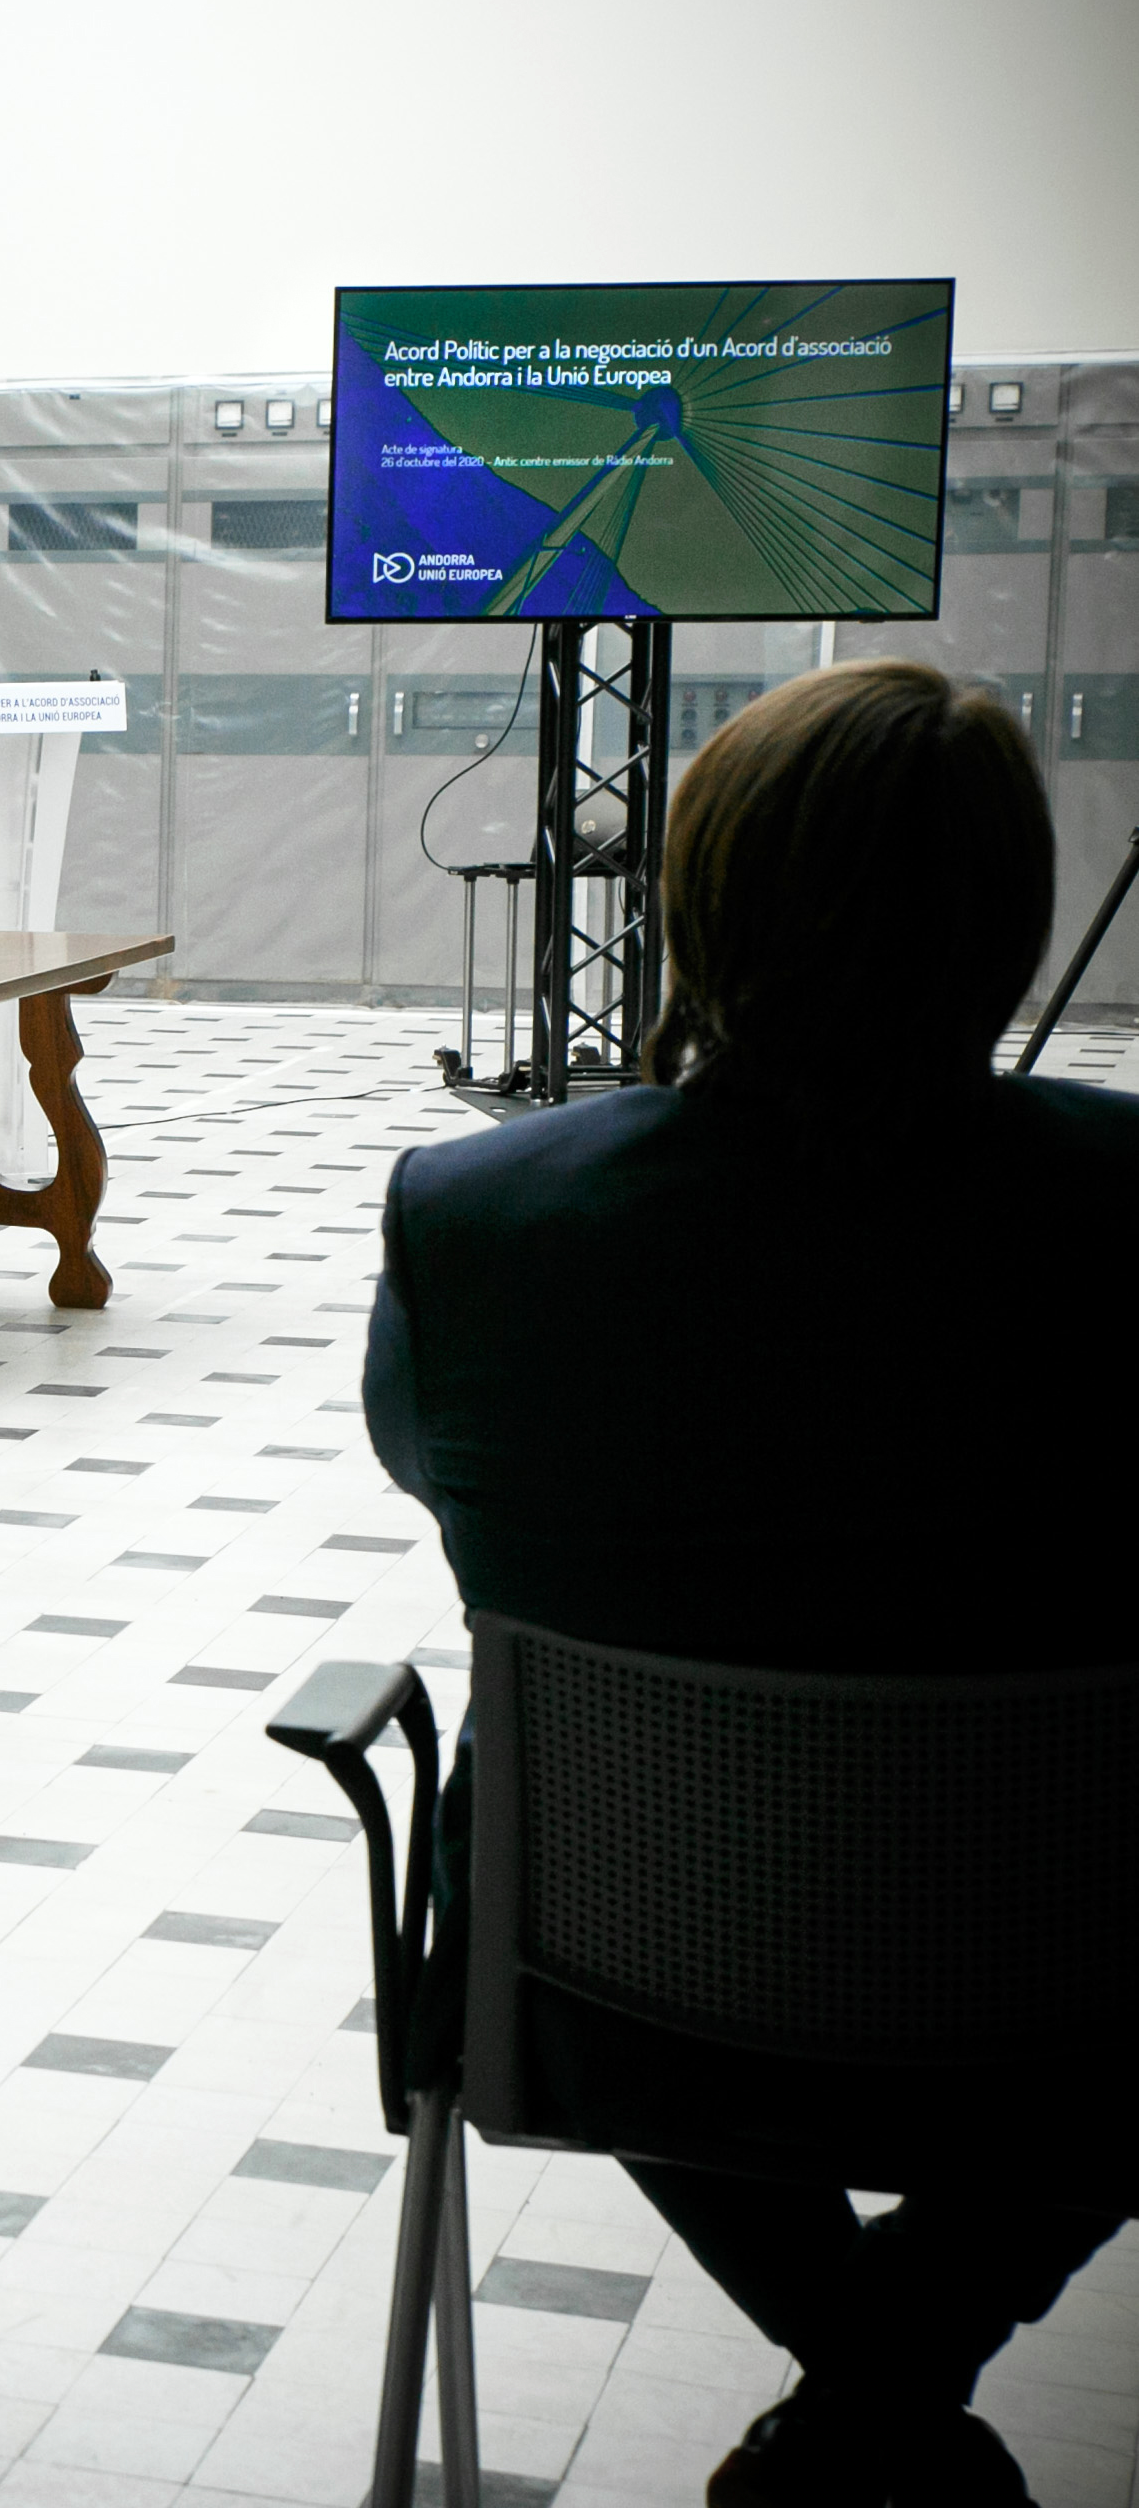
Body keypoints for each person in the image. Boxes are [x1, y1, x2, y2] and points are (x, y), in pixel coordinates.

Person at [367, 661, 1132, 2508]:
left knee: (568, 1849)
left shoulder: (480, 1215)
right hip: (1082, 1991)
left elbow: (422, 1457)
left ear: (690, 902)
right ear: (1007, 915)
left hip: (595, 1984)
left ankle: (861, 2397)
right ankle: (888, 2394)